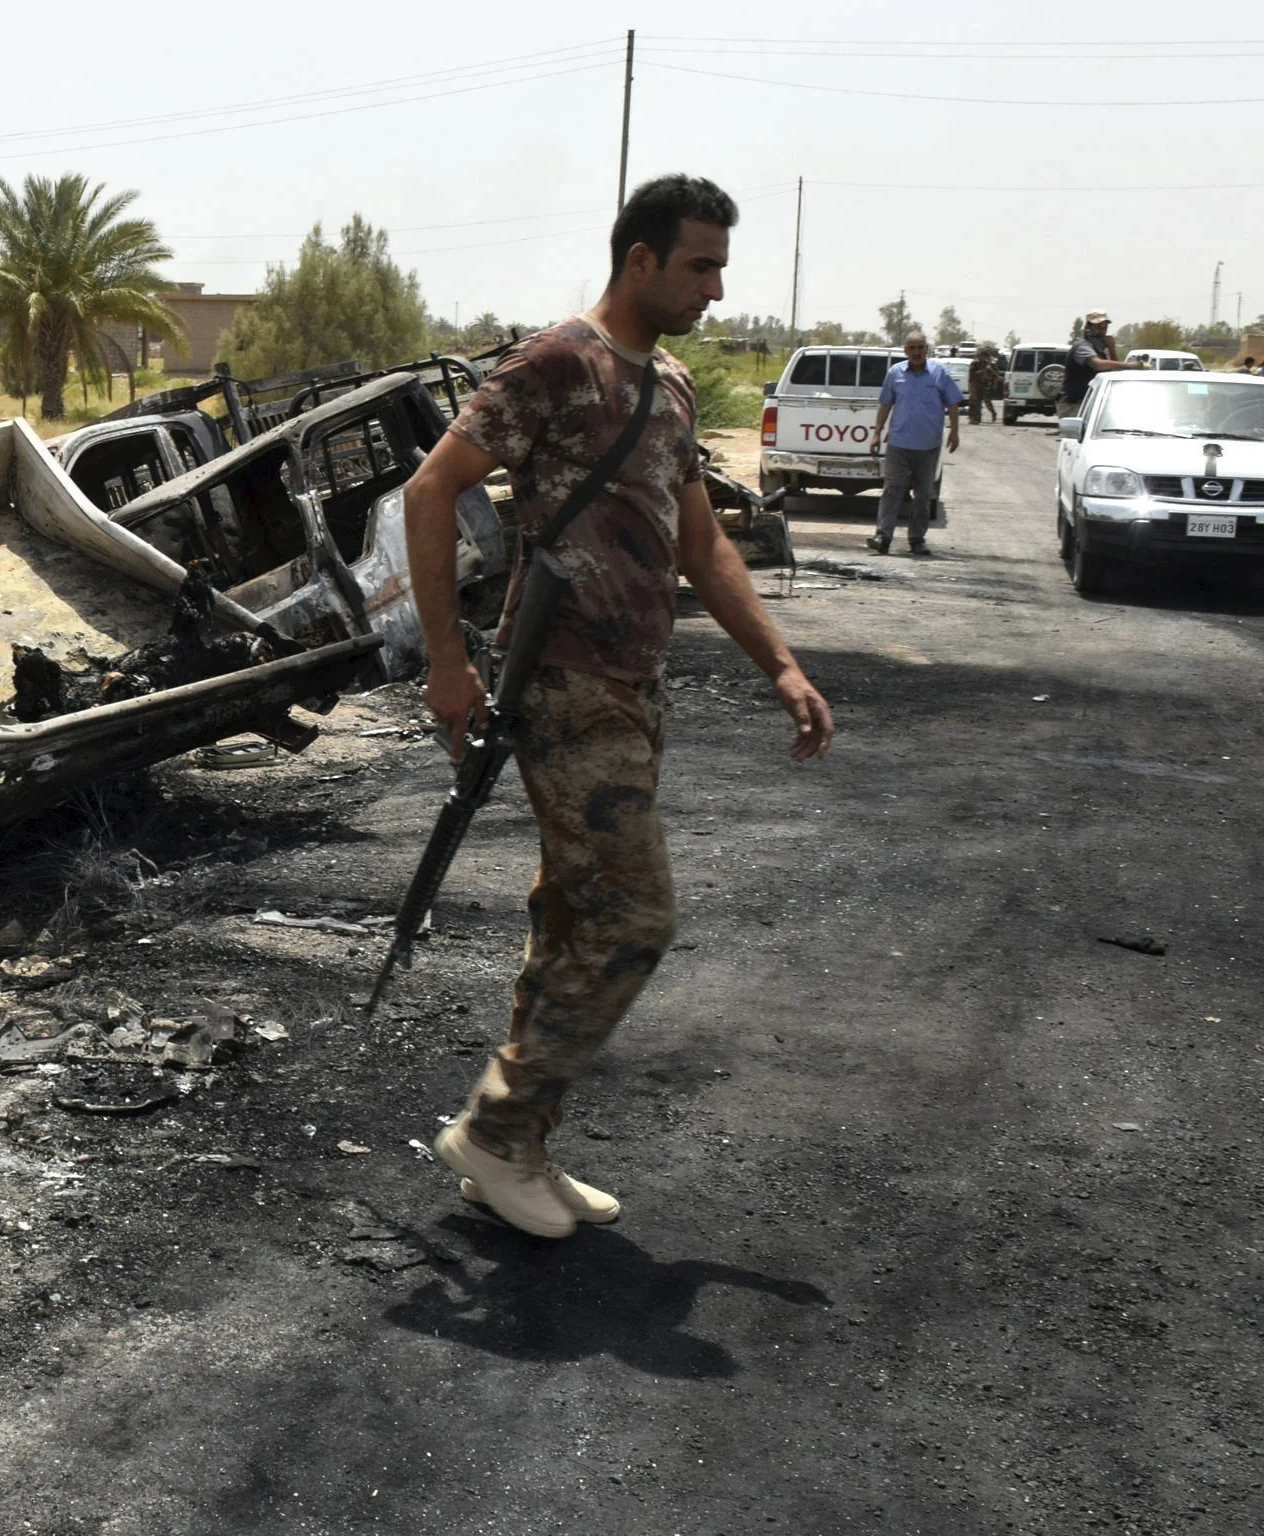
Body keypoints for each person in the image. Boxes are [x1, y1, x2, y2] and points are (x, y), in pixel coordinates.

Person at [397, 174, 836, 1239]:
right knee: (636, 915)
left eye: (722, 265)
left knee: (573, 913)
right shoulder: (559, 362)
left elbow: (702, 544)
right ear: (639, 259)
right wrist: (447, 663)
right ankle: (498, 1130)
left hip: (635, 687)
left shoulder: (673, 386)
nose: (716, 288)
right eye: (700, 265)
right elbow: (428, 489)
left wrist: (779, 663)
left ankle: (520, 1144)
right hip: (562, 682)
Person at [869, 330, 963, 555]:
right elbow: (885, 404)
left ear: (927, 349)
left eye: (920, 347)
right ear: (905, 351)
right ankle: (883, 536)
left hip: (928, 445)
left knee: (923, 494)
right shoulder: (895, 373)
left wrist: (954, 432)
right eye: (912, 348)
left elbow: (953, 404)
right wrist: (877, 432)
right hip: (899, 443)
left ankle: (916, 539)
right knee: (892, 490)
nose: (917, 352)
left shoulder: (939, 372)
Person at [1062, 311, 1137, 411]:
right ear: (1088, 327)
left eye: (1104, 328)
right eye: (1098, 327)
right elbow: (1098, 365)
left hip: (1089, 403)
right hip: (1074, 404)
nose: (1102, 332)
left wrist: (1112, 349)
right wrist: (1130, 365)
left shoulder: (1099, 351)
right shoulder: (1083, 347)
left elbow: (1114, 373)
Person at [965, 343, 1005, 426]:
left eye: (984, 356)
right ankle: (973, 418)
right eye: (981, 356)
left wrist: (998, 378)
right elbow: (972, 374)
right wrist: (982, 371)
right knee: (974, 402)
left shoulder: (987, 364)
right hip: (974, 385)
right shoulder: (974, 364)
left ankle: (983, 416)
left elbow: (992, 373)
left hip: (983, 385)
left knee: (985, 401)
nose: (982, 358)